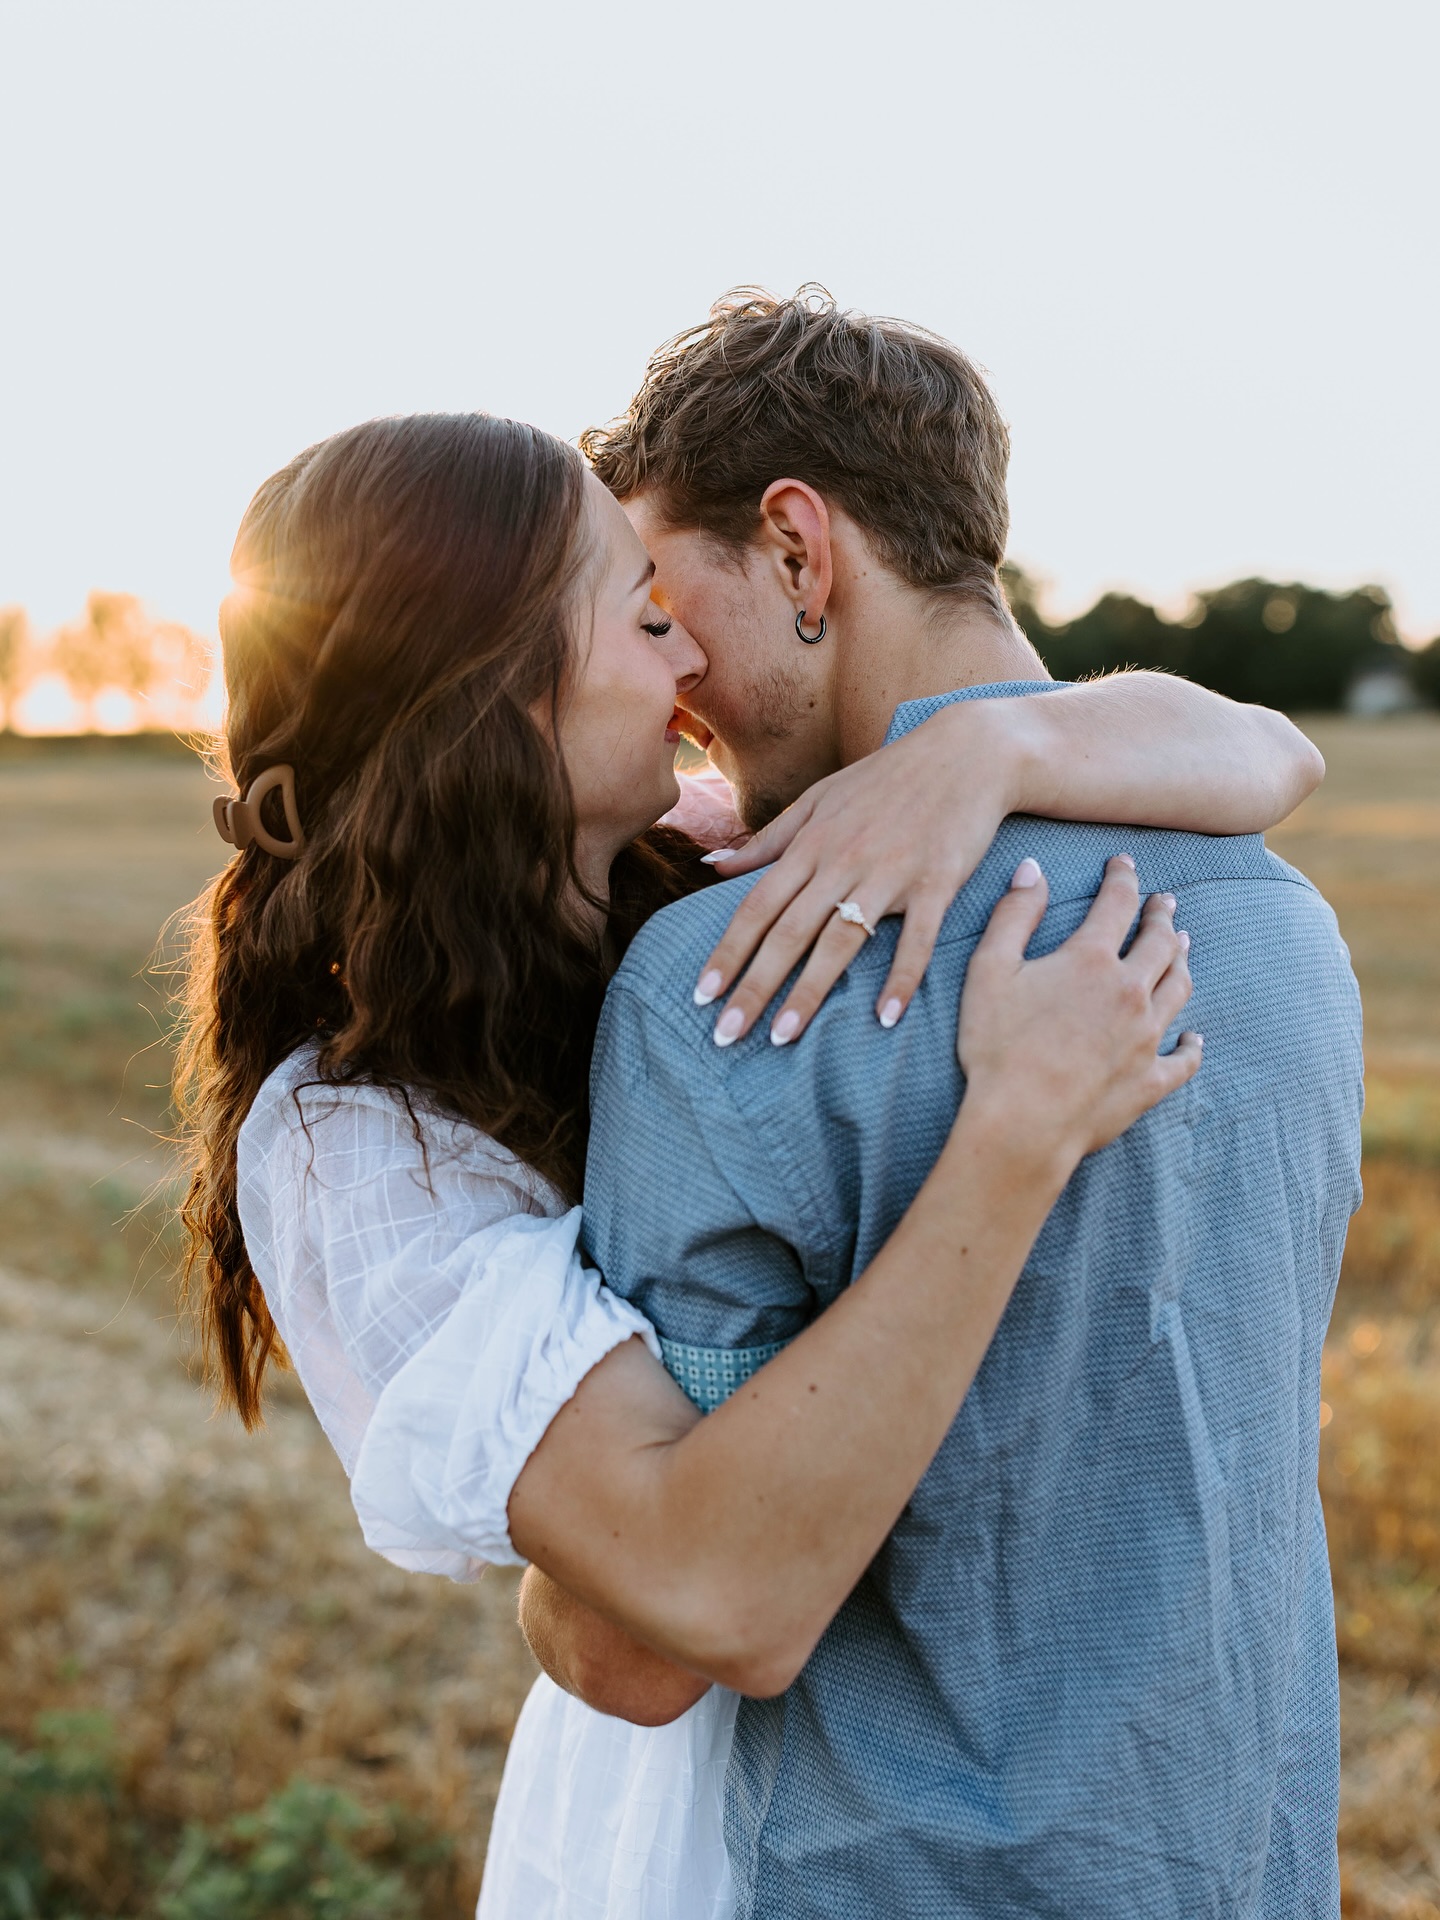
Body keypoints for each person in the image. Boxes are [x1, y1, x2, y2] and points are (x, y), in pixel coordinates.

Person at [173, 408, 1325, 1920]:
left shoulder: (705, 865)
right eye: (641, 613)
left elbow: (1272, 748)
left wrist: (990, 744)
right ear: (494, 695)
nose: (685, 657)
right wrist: (1017, 1129)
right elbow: (688, 1619)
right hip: (697, 1837)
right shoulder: (362, 1145)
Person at [537, 290, 1365, 1919]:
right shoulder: (1288, 930)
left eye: (663, 595)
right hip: (1252, 1869)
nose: (670, 669)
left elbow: (638, 1644)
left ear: (798, 551)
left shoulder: (729, 980)